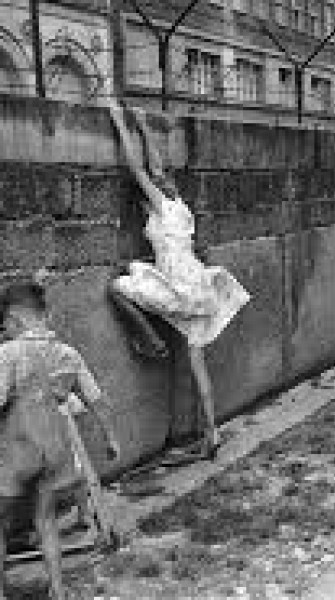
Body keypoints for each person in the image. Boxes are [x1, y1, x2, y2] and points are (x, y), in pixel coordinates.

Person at [106, 102, 251, 459]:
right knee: (196, 360)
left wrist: (120, 124)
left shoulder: (160, 206)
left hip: (179, 289)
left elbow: (139, 167)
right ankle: (212, 432)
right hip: (198, 288)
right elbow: (155, 166)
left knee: (118, 287)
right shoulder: (181, 207)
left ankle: (150, 341)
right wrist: (141, 123)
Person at [0, 282, 120, 600]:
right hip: (54, 447)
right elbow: (97, 399)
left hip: (18, 447)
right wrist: (111, 438)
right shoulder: (67, 353)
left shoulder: (8, 353)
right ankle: (58, 588)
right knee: (47, 520)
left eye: (5, 326)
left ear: (15, 320)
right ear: (44, 315)